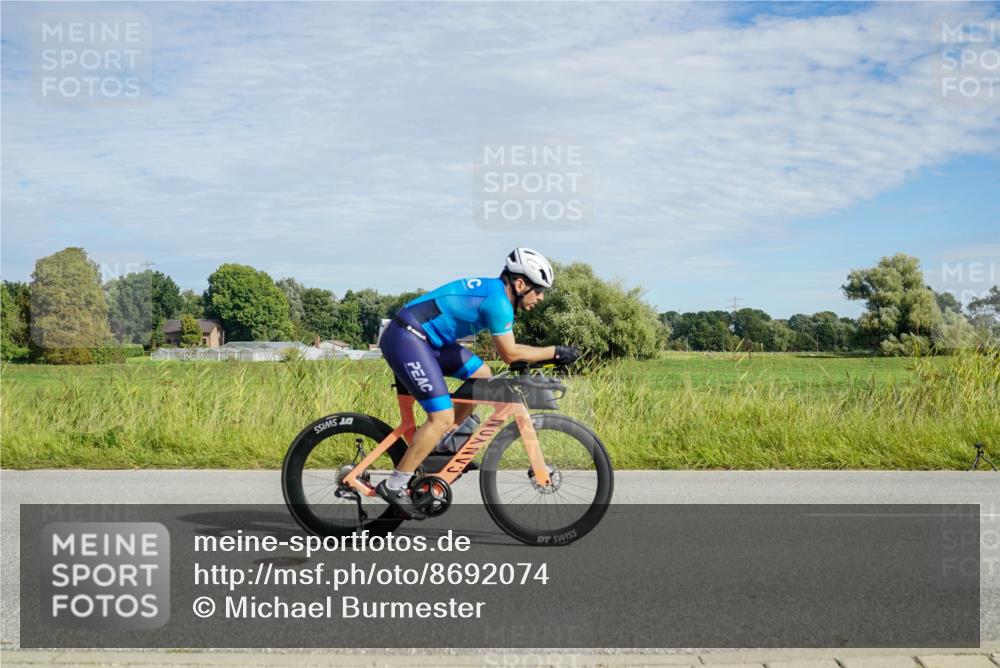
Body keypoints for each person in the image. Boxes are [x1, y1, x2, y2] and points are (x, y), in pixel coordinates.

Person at [376, 248, 579, 519]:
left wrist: (538, 357)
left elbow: (511, 353)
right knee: (441, 417)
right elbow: (510, 354)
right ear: (520, 284)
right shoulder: (498, 302)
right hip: (407, 338)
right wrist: (555, 352)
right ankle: (395, 485)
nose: (541, 297)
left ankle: (443, 444)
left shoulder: (497, 294)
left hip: (428, 340)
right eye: (539, 290)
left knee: (482, 375)